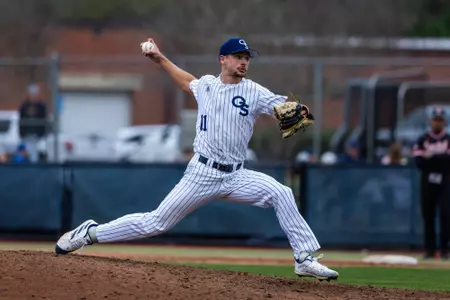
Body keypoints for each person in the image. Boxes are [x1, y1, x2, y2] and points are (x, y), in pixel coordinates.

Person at [55, 37, 339, 281]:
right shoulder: (206, 86)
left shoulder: (253, 91)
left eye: (246, 58)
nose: (244, 62)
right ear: (223, 60)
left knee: (282, 192)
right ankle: (90, 233)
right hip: (202, 173)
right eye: (238, 57)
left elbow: (279, 105)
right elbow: (185, 80)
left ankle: (303, 258)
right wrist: (158, 58)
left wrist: (298, 110)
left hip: (237, 175)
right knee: (155, 224)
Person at [412, 107, 450, 260]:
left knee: (446, 215)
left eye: (440, 120)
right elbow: (419, 161)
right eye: (435, 119)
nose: (437, 122)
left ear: (444, 121)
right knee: (428, 215)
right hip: (428, 182)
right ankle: (429, 249)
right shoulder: (423, 139)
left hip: (446, 181)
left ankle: (445, 250)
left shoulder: (448, 138)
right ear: (430, 120)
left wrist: (432, 157)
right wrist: (439, 157)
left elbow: (447, 162)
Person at [18, 84, 48, 163]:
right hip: (26, 135)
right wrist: (22, 133)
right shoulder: (24, 106)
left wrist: (42, 134)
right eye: (31, 94)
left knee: (36, 154)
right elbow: (21, 119)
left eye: (34, 94)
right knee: (25, 153)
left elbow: (44, 119)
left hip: (38, 136)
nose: (33, 96)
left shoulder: (41, 106)